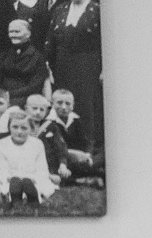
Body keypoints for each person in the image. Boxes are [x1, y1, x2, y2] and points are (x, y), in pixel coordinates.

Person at [45, 0, 101, 149]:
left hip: (87, 64)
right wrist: (48, 65)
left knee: (85, 104)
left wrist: (104, 69)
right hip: (62, 64)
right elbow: (51, 40)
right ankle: (62, 146)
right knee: (62, 102)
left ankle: (88, 146)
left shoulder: (97, 10)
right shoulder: (59, 9)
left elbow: (105, 42)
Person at [0, 107, 57, 204]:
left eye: (24, 128)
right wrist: (9, 178)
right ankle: (15, 195)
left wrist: (34, 179)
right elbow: (2, 169)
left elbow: (42, 168)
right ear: (9, 127)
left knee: (40, 185)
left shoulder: (37, 144)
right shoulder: (2, 144)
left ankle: (31, 196)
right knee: (7, 185)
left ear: (31, 129)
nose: (19, 132)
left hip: (32, 178)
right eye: (15, 127)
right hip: (10, 179)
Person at [0, 18, 47, 107]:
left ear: (28, 34)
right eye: (11, 32)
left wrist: (10, 94)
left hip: (25, 98)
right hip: (3, 96)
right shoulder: (5, 55)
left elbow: (35, 86)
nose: (13, 35)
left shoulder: (37, 57)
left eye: (17, 32)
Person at [24, 92, 67, 181]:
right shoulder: (20, 126)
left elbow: (60, 147)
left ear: (46, 112)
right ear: (26, 109)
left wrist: (62, 164)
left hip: (48, 163)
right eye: (34, 108)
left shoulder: (51, 126)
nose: (38, 112)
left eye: (41, 110)